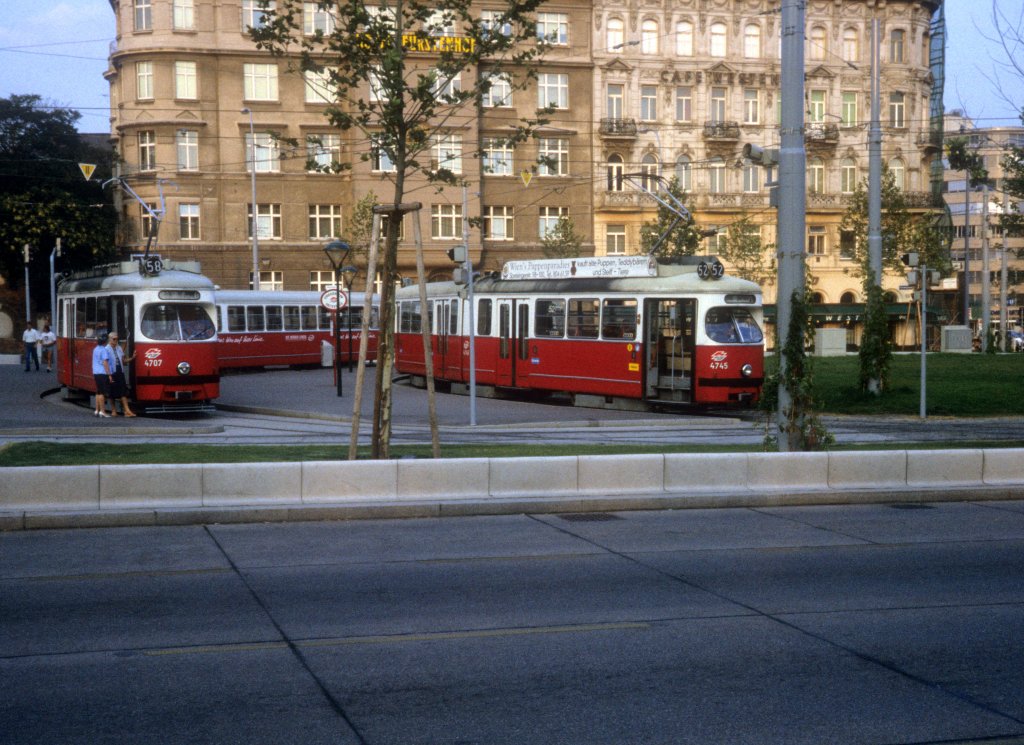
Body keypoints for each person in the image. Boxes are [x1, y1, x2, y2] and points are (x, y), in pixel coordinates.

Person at [107, 332, 136, 417]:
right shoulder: (106, 349)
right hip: (112, 372)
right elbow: (105, 363)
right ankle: (113, 410)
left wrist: (132, 358)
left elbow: (123, 361)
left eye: (117, 339)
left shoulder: (119, 348)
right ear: (110, 339)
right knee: (112, 392)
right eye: (114, 339)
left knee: (123, 392)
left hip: (120, 371)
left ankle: (127, 411)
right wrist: (108, 374)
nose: (116, 341)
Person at [91, 333, 114, 418]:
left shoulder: (95, 349)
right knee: (102, 393)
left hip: (96, 372)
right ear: (105, 342)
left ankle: (97, 410)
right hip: (102, 372)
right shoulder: (104, 350)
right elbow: (105, 362)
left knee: (98, 392)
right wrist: (109, 374)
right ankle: (103, 411)